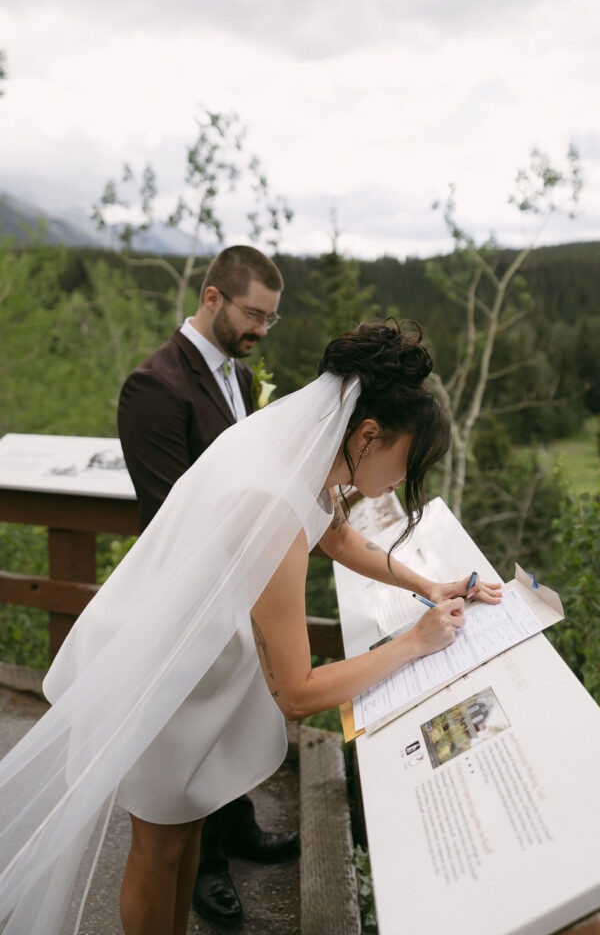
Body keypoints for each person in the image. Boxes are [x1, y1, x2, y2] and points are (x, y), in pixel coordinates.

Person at [0, 320, 502, 935]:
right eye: (408, 460)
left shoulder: (302, 454)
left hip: (197, 660)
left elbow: (337, 533)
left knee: (186, 832)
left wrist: (425, 584)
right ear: (369, 434)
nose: (406, 478)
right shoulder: (271, 509)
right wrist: (415, 642)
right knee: (158, 850)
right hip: (159, 666)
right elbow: (297, 691)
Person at [117, 244, 295, 926]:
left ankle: (228, 833)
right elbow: (171, 517)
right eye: (253, 314)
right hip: (178, 612)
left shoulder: (240, 381)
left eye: (270, 320)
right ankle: (210, 869)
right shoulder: (154, 386)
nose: (260, 330)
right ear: (212, 297)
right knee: (169, 800)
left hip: (230, 602)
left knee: (214, 753)